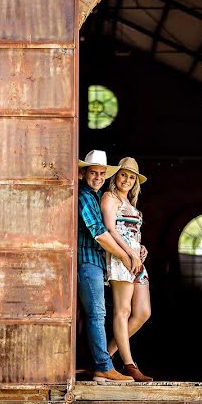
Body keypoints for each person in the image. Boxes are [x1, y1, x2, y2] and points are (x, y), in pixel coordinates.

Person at [77, 150, 141, 383]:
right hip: (87, 261)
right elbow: (101, 235)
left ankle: (99, 365)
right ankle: (104, 367)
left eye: (102, 173)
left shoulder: (95, 196)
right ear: (83, 173)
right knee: (97, 314)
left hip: (96, 263)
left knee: (95, 314)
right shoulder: (84, 196)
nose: (98, 177)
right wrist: (125, 256)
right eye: (93, 172)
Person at [102, 157, 153, 382]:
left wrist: (140, 249)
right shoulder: (109, 198)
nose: (127, 180)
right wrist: (129, 253)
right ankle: (129, 364)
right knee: (122, 311)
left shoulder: (131, 204)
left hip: (136, 260)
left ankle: (104, 356)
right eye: (123, 175)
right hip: (120, 258)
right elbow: (111, 230)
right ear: (116, 176)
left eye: (131, 177)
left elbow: (132, 232)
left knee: (142, 312)